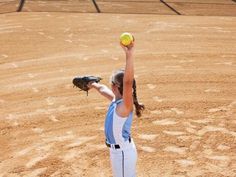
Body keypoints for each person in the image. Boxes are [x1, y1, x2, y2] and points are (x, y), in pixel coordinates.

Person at [88, 41, 144, 177]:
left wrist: (129, 55)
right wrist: (93, 84)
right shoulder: (116, 100)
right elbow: (102, 89)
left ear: (114, 86)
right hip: (118, 153)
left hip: (123, 154)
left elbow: (128, 82)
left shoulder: (124, 106)